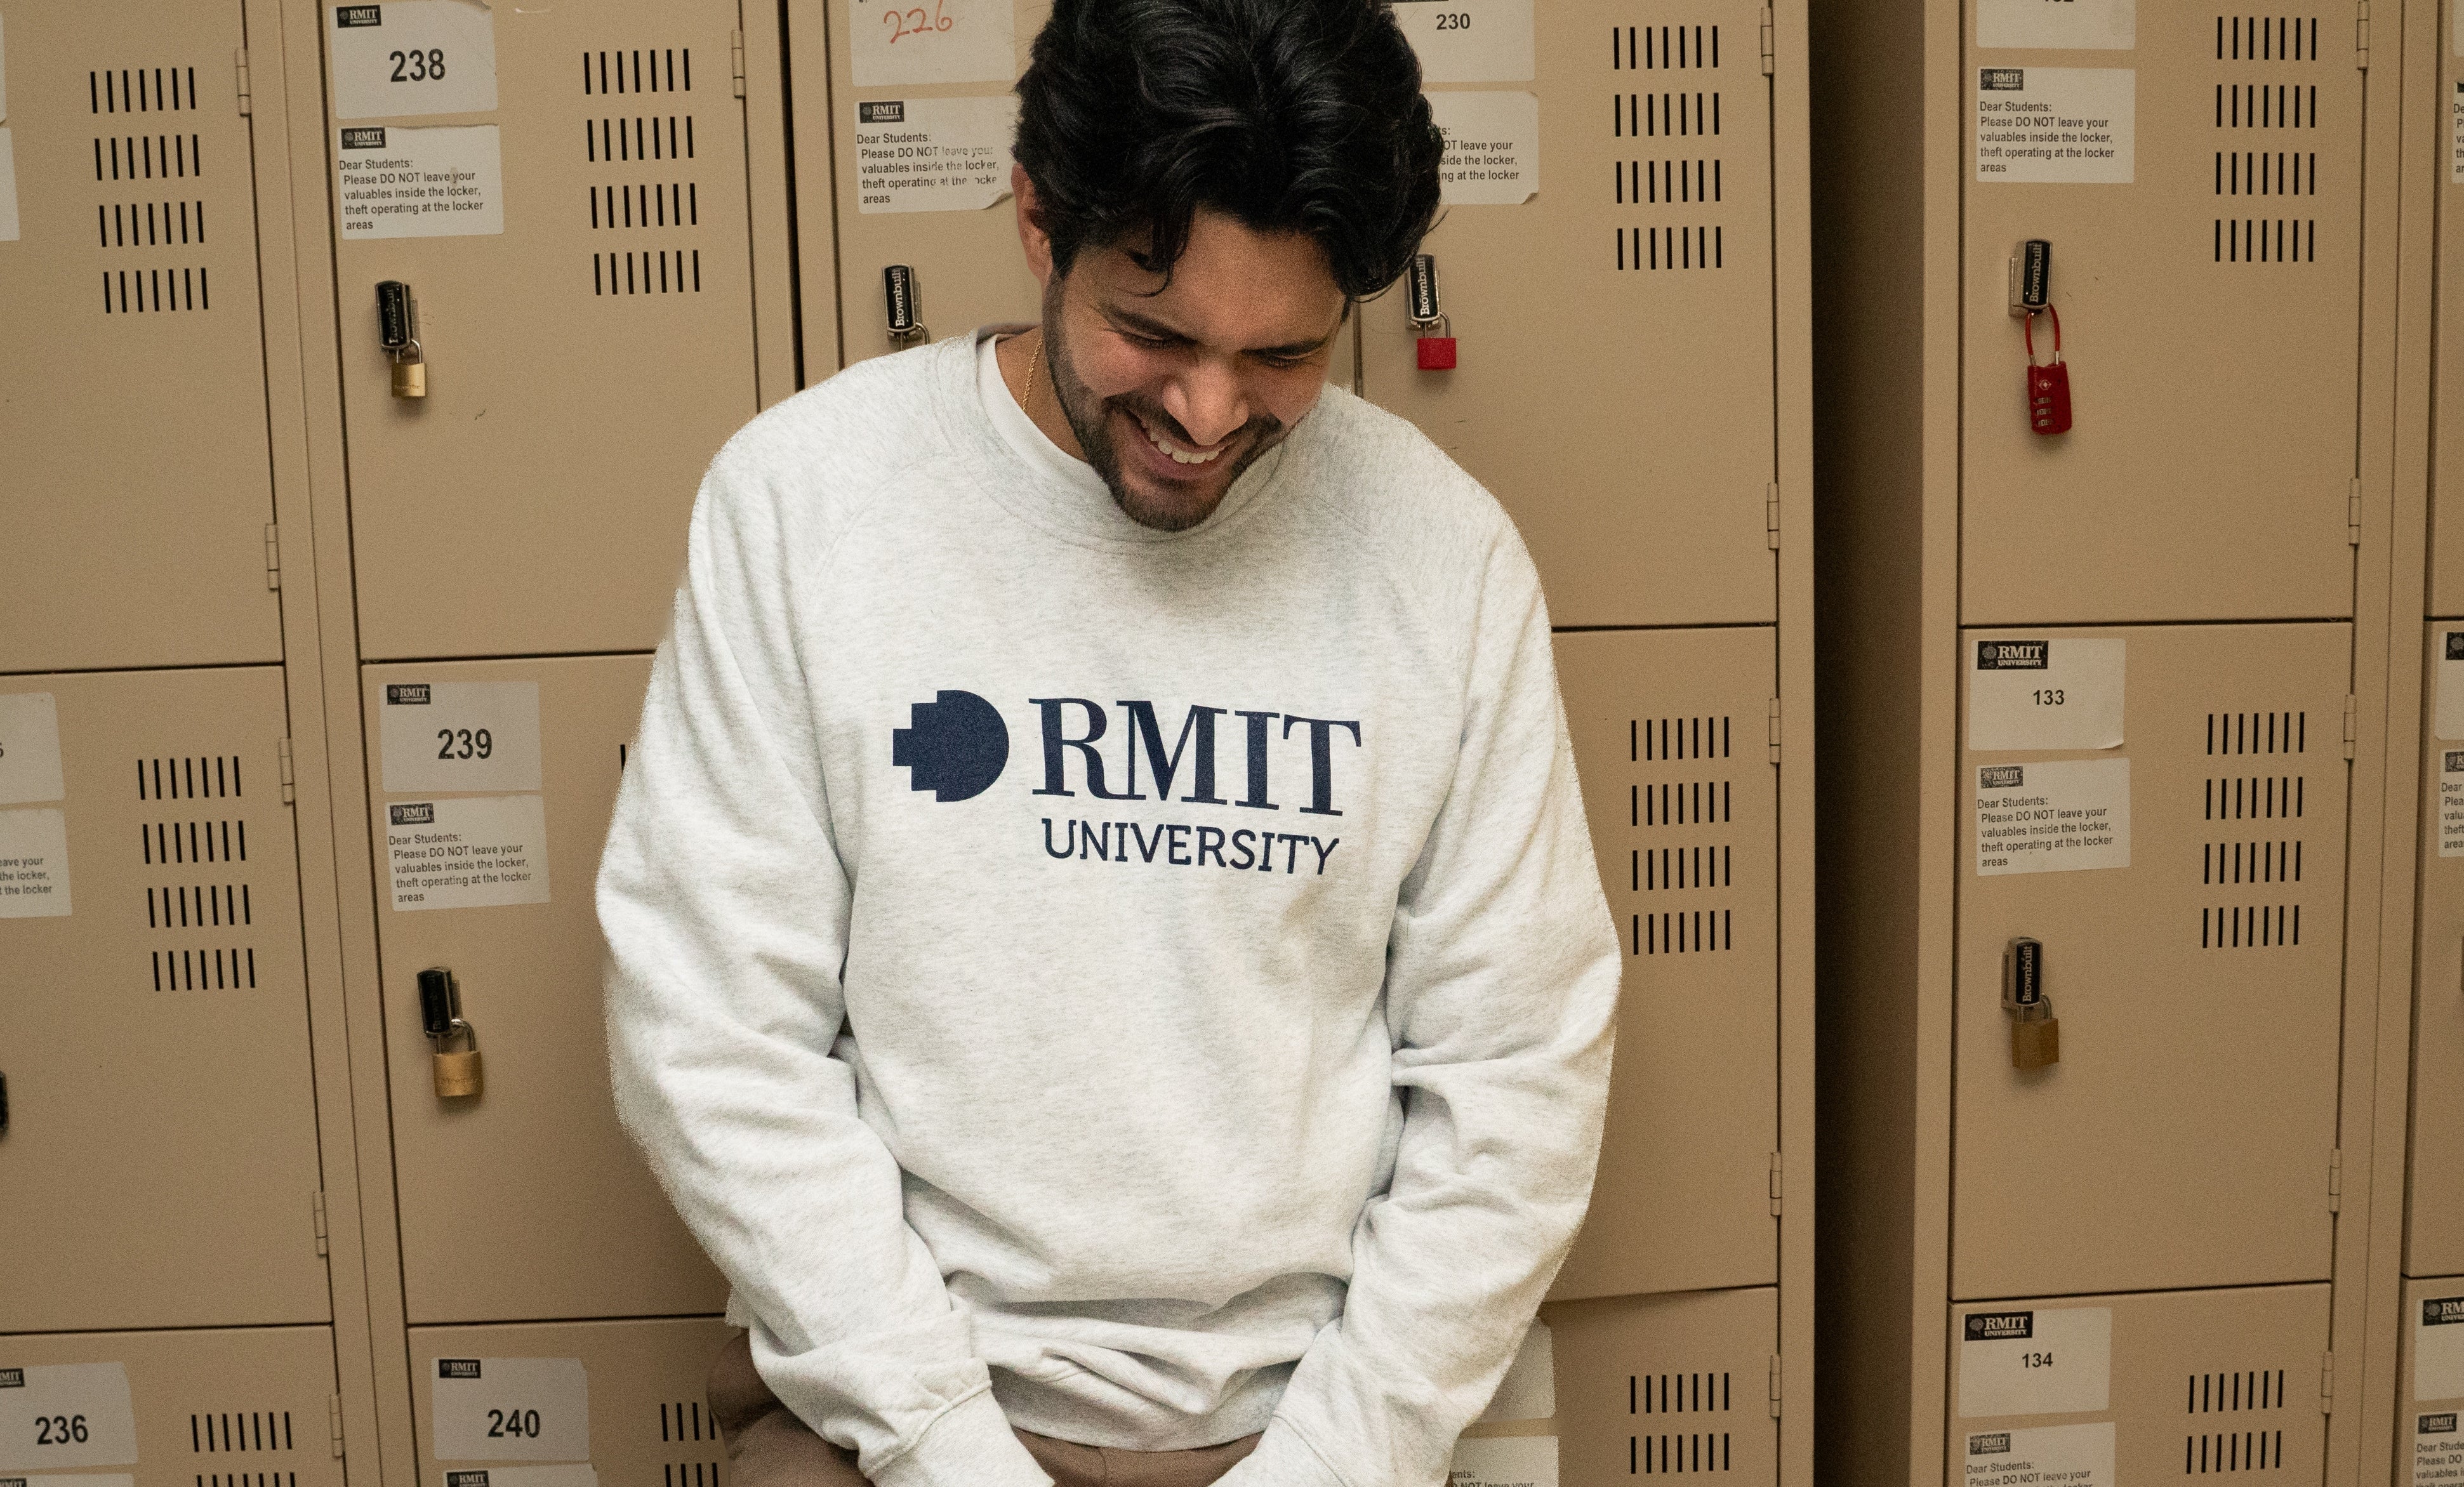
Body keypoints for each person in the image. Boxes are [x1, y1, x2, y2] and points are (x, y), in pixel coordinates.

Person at [595, 1, 1621, 1483]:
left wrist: (1331, 1458)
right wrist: (949, 1446)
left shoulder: (1442, 560)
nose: (1207, 412)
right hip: (902, 1412)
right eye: (1153, 333)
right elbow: (711, 1036)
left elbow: (1518, 1068)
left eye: (1282, 354)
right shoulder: (804, 505)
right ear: (1035, 219)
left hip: (1309, 1420)